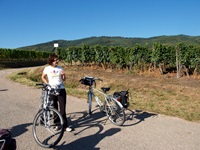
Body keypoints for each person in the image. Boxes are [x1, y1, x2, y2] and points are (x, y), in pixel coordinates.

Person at [41, 54, 72, 132]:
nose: (57, 61)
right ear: (51, 61)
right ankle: (57, 124)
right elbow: (43, 77)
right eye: (55, 60)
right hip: (52, 90)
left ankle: (65, 125)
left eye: (57, 60)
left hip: (61, 89)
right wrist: (47, 84)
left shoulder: (60, 68)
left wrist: (63, 75)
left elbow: (64, 79)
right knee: (54, 108)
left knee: (62, 108)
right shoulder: (47, 68)